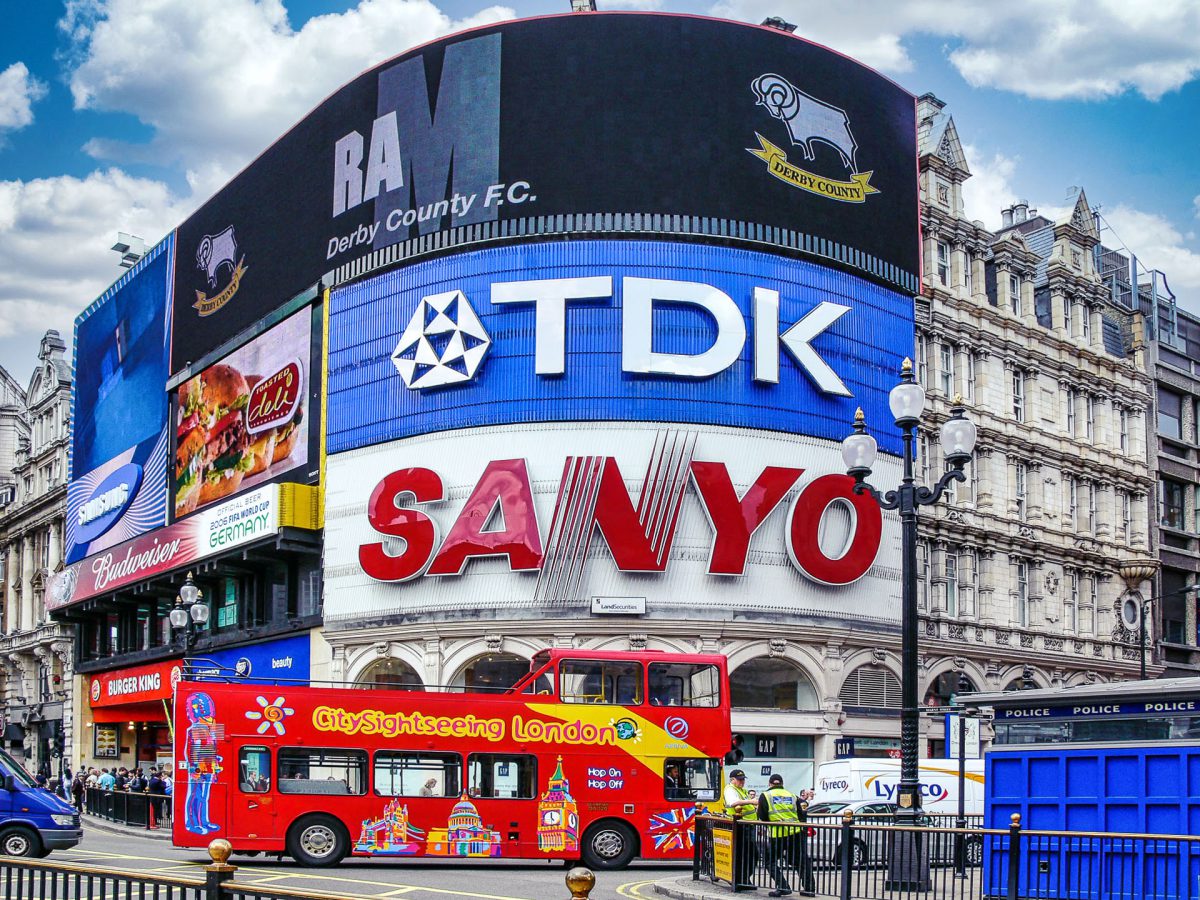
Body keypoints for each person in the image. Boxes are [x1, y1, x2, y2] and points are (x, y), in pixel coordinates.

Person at [757, 774, 815, 897]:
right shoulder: (792, 795)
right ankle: (809, 889)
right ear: (782, 784)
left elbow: (762, 816)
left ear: (770, 784)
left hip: (777, 834)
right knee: (801, 861)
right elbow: (801, 814)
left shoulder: (765, 796)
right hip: (795, 832)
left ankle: (783, 887)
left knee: (769, 861)